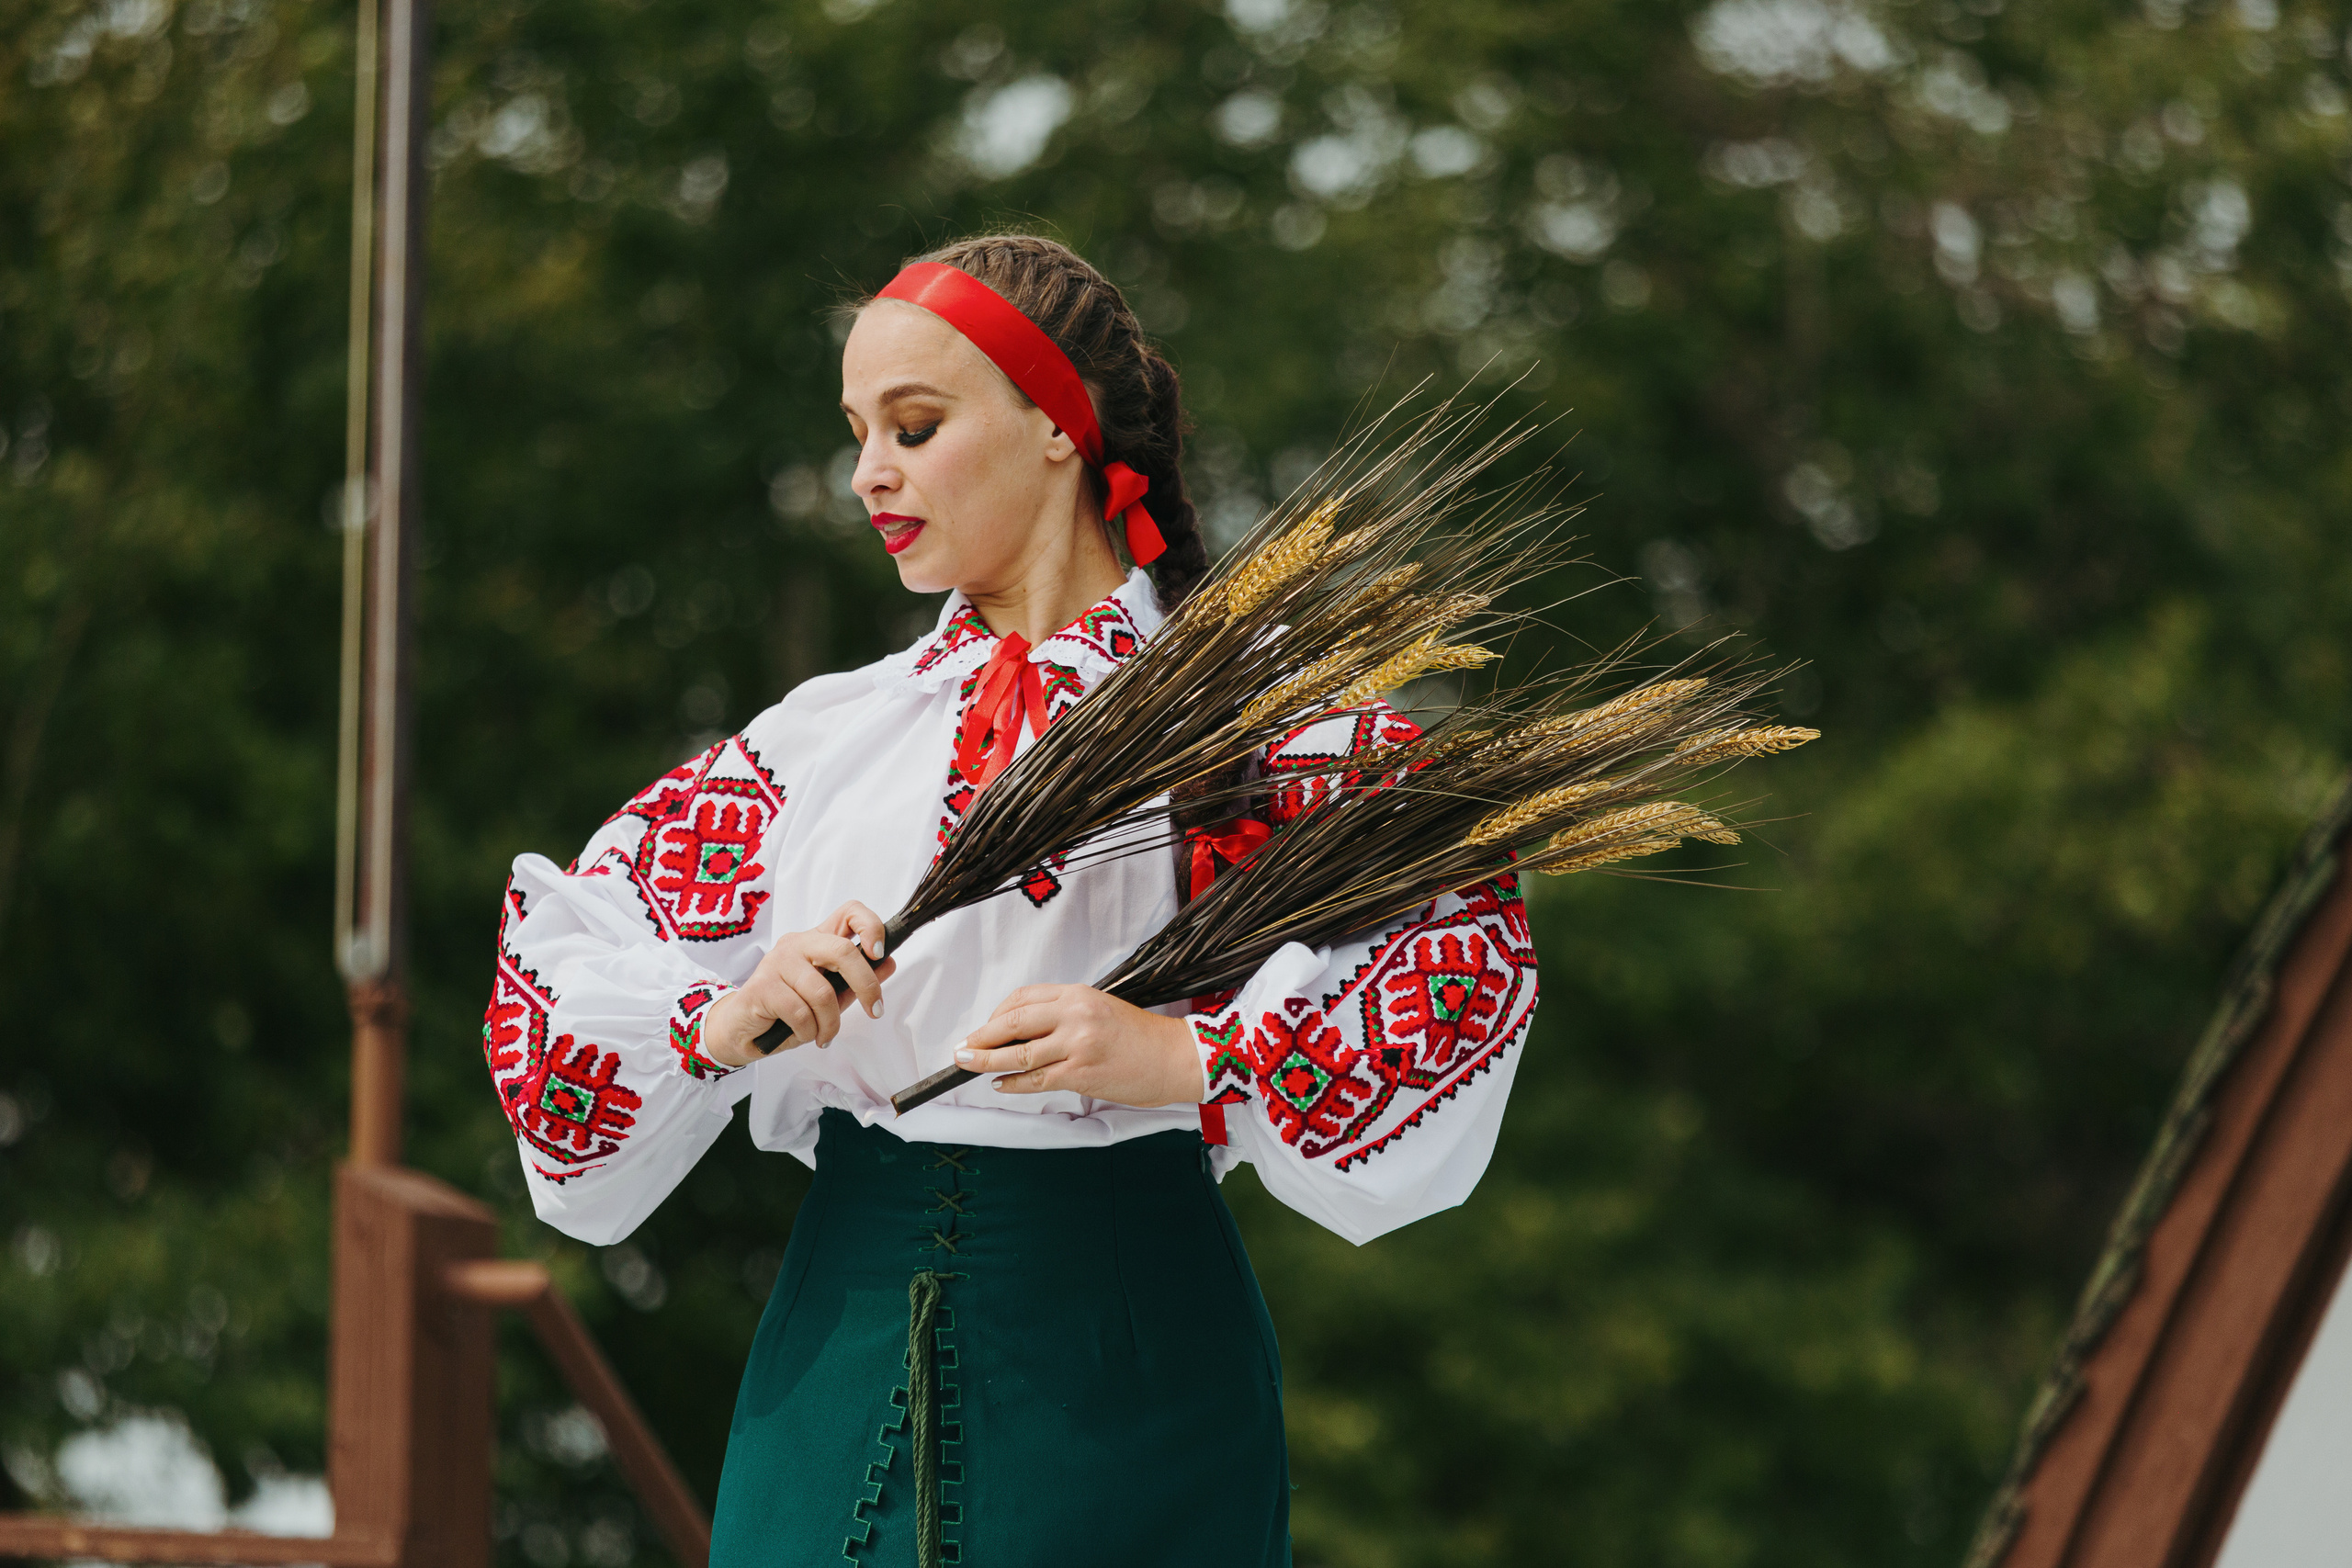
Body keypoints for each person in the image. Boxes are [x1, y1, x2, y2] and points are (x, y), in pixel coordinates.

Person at [481, 233, 1541, 1567]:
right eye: (858, 430)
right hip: (836, 1355)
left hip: (1134, 1369)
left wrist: (1191, 1058)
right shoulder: (821, 746)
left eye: (915, 427)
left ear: (1058, 427)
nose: (871, 469)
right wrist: (724, 1013)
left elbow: (1463, 953)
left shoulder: (1256, 723)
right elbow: (561, 974)